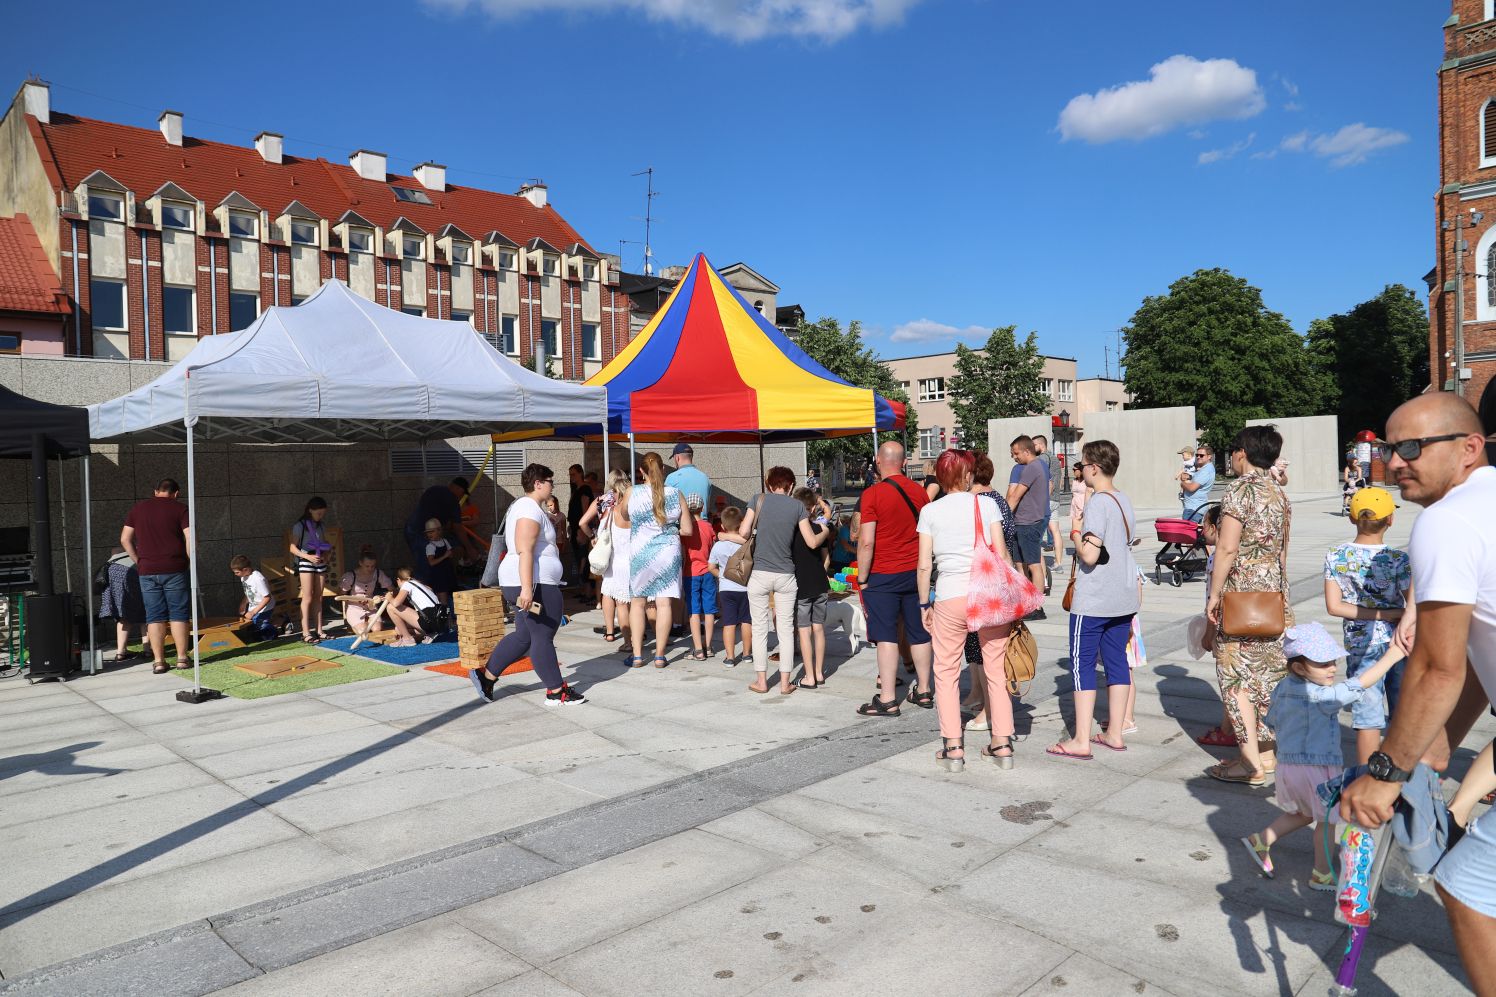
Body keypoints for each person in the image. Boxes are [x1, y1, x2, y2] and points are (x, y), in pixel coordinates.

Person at [1338, 394, 1496, 991]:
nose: (1394, 462)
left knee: (1467, 885)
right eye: (1387, 448)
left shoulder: (1448, 519)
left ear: (1468, 448)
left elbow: (1437, 666)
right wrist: (1442, 738)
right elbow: (1484, 647)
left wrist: (1385, 771)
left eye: (1411, 448)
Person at [1239, 623, 1406, 891]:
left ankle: (1261, 840)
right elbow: (1358, 684)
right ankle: (1322, 873)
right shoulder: (1321, 696)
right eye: (1323, 663)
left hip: (1289, 768)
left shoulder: (1282, 688)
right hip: (1315, 769)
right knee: (1327, 821)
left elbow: (1271, 721)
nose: (1332, 668)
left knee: (1304, 814)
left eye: (1333, 661)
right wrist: (1392, 656)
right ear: (1299, 667)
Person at [918, 449, 1020, 772]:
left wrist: (924, 603)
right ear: (966, 476)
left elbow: (923, 565)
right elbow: (1002, 554)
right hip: (986, 594)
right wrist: (1012, 594)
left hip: (949, 595)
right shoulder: (986, 504)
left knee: (946, 672)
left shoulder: (929, 512)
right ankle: (1002, 744)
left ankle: (953, 748)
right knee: (996, 668)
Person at [1205, 425, 1293, 786]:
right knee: (1269, 674)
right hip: (1273, 593)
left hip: (1241, 593)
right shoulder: (1278, 492)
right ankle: (1269, 756)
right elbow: (1284, 549)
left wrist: (1214, 594)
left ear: (1242, 452)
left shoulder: (1239, 490)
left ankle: (1249, 762)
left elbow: (1226, 548)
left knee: (1235, 674)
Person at [1047, 439, 1141, 760]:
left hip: (1096, 598)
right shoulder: (1123, 498)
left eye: (1083, 465)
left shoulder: (1098, 502)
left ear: (1094, 468)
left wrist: (1075, 533)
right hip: (1123, 597)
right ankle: (1115, 732)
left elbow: (1089, 554)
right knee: (1116, 661)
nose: (1080, 471)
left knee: (1082, 664)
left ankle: (1081, 740)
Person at [470, 462, 586, 707]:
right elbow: (525, 551)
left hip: (526, 582)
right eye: (550, 481)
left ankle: (486, 676)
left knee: (525, 635)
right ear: (538, 483)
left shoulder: (525, 508)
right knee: (543, 634)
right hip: (533, 583)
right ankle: (556, 692)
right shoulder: (528, 509)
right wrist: (526, 589)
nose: (553, 485)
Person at [1323, 486, 1413, 764]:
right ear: (1390, 520)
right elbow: (1412, 607)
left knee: (1367, 714)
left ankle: (1365, 776)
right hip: (1400, 644)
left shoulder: (1336, 555)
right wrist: (1389, 614)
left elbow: (1334, 606)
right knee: (1403, 711)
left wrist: (1373, 614)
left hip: (1360, 646)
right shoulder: (1398, 559)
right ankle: (1399, 775)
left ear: (1352, 519)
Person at [855, 441, 933, 716]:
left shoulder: (872, 495)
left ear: (878, 461)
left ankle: (887, 698)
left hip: (883, 574)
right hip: (915, 573)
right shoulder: (920, 493)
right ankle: (924, 690)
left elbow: (866, 541)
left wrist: (862, 578)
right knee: (919, 632)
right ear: (902, 462)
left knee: (886, 635)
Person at [739, 467, 827, 695]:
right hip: (786, 575)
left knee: (759, 628)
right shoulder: (797, 506)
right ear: (790, 486)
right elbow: (811, 541)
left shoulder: (757, 500)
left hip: (759, 573)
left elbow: (743, 531)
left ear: (769, 484)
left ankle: (761, 681)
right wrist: (825, 531)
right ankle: (786, 683)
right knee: (787, 630)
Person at [962, 453, 1019, 729]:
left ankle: (988, 711)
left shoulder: (980, 502)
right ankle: (980, 698)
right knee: (982, 649)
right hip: (996, 582)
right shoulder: (997, 499)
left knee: (987, 653)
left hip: (984, 584)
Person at [623, 452, 693, 669]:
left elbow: (625, 515)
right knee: (664, 603)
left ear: (641, 471)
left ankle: (636, 655)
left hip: (640, 552)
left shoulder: (632, 492)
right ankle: (660, 655)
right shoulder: (675, 493)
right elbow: (688, 530)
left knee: (638, 602)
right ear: (663, 469)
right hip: (667, 553)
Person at [120, 478, 192, 675]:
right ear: (176, 493)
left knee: (154, 616)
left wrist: (138, 560)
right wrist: (188, 560)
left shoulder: (138, 509)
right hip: (174, 567)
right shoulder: (180, 509)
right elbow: (190, 537)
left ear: (156, 491)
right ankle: (182, 658)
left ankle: (159, 661)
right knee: (178, 614)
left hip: (147, 569)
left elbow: (125, 539)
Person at [580, 468, 632, 643]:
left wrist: (593, 536)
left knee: (607, 590)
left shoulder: (601, 500)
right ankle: (632, 631)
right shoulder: (628, 500)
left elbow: (582, 522)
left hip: (605, 546)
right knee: (625, 596)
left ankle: (610, 631)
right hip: (625, 547)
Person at [1006, 436, 1050, 616]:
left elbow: (1015, 495)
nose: (1014, 457)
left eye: (1015, 453)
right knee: (1020, 563)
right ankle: (1026, 602)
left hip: (1029, 522)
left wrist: (1003, 518)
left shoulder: (1032, 467)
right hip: (1022, 521)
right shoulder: (1038, 466)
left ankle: (1037, 606)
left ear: (1026, 451)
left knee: (1033, 564)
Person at [792, 487, 831, 688]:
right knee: (819, 629)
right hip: (820, 583)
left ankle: (809, 676)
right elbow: (826, 560)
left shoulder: (792, 531)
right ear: (813, 507)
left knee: (804, 630)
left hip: (801, 585)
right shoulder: (818, 529)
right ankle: (819, 672)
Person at [709, 506, 752, 668]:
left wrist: (721, 575)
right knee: (747, 621)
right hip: (745, 587)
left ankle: (730, 657)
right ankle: (747, 654)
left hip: (727, 588)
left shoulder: (718, 546)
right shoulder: (746, 544)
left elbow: (710, 566)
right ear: (741, 523)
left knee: (729, 623)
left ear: (722, 526)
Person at [404, 478, 467, 584]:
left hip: (411, 528)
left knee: (424, 564)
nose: (462, 496)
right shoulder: (452, 500)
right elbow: (458, 528)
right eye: (463, 492)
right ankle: (426, 592)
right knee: (425, 566)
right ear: (457, 488)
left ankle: (433, 588)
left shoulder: (434, 490)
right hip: (419, 532)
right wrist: (470, 549)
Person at [288, 497, 332, 643]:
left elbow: (326, 544)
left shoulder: (321, 525)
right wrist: (306, 556)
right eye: (318, 513)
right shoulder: (299, 526)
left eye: (323, 513)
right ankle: (305, 632)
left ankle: (319, 630)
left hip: (320, 562)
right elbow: (292, 547)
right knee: (307, 596)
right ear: (310, 510)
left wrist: (326, 556)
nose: (321, 516)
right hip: (306, 562)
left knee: (318, 596)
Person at [683, 495, 718, 660]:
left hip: (691, 572)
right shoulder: (709, 527)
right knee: (709, 611)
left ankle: (697, 649)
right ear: (702, 508)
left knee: (694, 611)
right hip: (708, 572)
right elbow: (713, 545)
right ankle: (709, 647)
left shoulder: (685, 529)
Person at [97, 547, 145, 663]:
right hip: (131, 571)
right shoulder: (142, 540)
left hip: (111, 571)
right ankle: (148, 649)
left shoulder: (123, 545)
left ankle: (120, 652)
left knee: (122, 614)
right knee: (146, 611)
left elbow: (114, 550)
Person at [340, 547, 393, 638]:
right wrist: (357, 600)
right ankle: (354, 624)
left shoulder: (378, 573)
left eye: (373, 566)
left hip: (371, 607)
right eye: (367, 566)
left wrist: (384, 597)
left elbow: (391, 590)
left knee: (377, 630)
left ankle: (367, 622)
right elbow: (341, 595)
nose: (370, 569)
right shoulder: (350, 576)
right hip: (354, 607)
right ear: (360, 563)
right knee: (363, 632)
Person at [387, 566, 441, 646]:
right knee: (398, 629)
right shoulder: (419, 584)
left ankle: (407, 639)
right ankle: (429, 634)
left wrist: (389, 598)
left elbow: (396, 603)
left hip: (428, 620)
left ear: (398, 580)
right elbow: (429, 591)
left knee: (390, 607)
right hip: (438, 622)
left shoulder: (406, 584)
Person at [230, 554, 277, 641]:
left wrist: (253, 612)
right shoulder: (243, 577)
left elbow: (267, 597)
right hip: (254, 607)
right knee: (251, 627)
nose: (235, 574)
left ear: (245, 569)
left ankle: (275, 630)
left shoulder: (258, 579)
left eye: (237, 572)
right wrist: (243, 604)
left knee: (262, 630)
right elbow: (249, 592)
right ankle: (271, 623)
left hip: (265, 607)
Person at [566, 464, 595, 598]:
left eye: (573, 474)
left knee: (584, 559)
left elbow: (585, 509)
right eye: (570, 475)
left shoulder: (584, 489)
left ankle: (588, 591)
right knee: (579, 559)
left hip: (581, 528)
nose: (571, 477)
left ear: (580, 474)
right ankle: (583, 590)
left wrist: (583, 530)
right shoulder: (575, 489)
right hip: (575, 527)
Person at [665, 442, 712, 514]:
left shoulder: (671, 478)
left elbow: (666, 507)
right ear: (691, 457)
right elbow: (708, 506)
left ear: (677, 458)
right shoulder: (705, 478)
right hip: (702, 522)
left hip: (682, 524)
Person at [423, 517, 458, 603]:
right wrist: (444, 556)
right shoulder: (430, 546)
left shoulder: (444, 541)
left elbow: (451, 554)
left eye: (432, 532)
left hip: (447, 572)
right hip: (438, 575)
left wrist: (450, 555)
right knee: (442, 598)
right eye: (429, 533)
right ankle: (444, 614)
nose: (430, 535)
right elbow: (431, 562)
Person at [1178, 444, 1216, 523]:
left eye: (1201, 455)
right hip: (1193, 508)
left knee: (1188, 534)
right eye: (1197, 455)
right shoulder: (1204, 469)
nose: (1198, 457)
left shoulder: (1206, 471)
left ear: (1209, 456)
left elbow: (1192, 488)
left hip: (1193, 509)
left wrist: (1182, 483)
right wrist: (1189, 477)